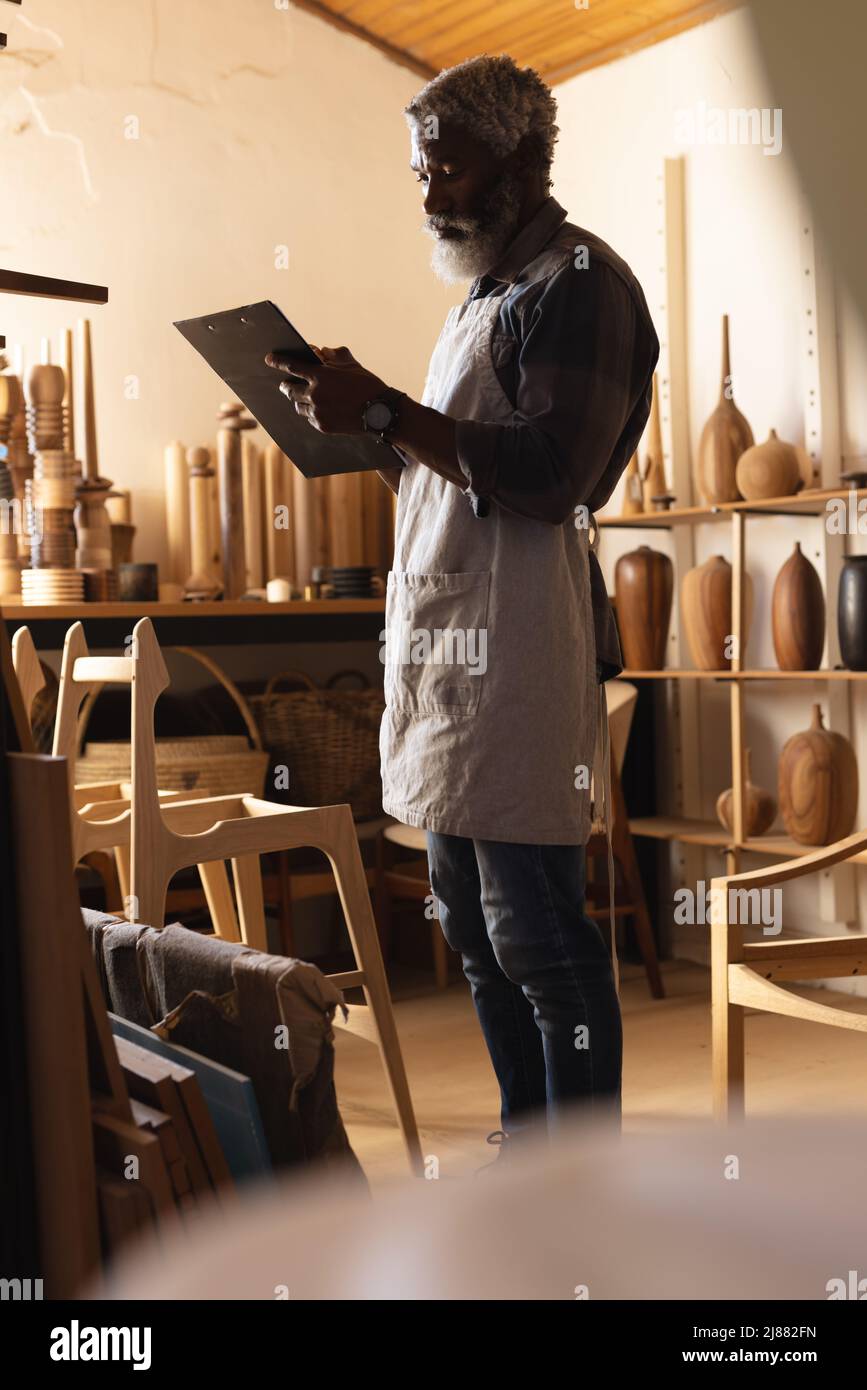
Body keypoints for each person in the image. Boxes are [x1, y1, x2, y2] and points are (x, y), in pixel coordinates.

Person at [267, 54, 659, 1162]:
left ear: (526, 162)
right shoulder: (482, 301)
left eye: (450, 167)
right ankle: (524, 1148)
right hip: (447, 655)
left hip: (522, 657)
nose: (432, 193)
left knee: (540, 936)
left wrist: (387, 408)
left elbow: (550, 475)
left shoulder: (583, 284)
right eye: (421, 171)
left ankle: (577, 1173)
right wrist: (360, 424)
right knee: (474, 935)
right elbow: (450, 476)